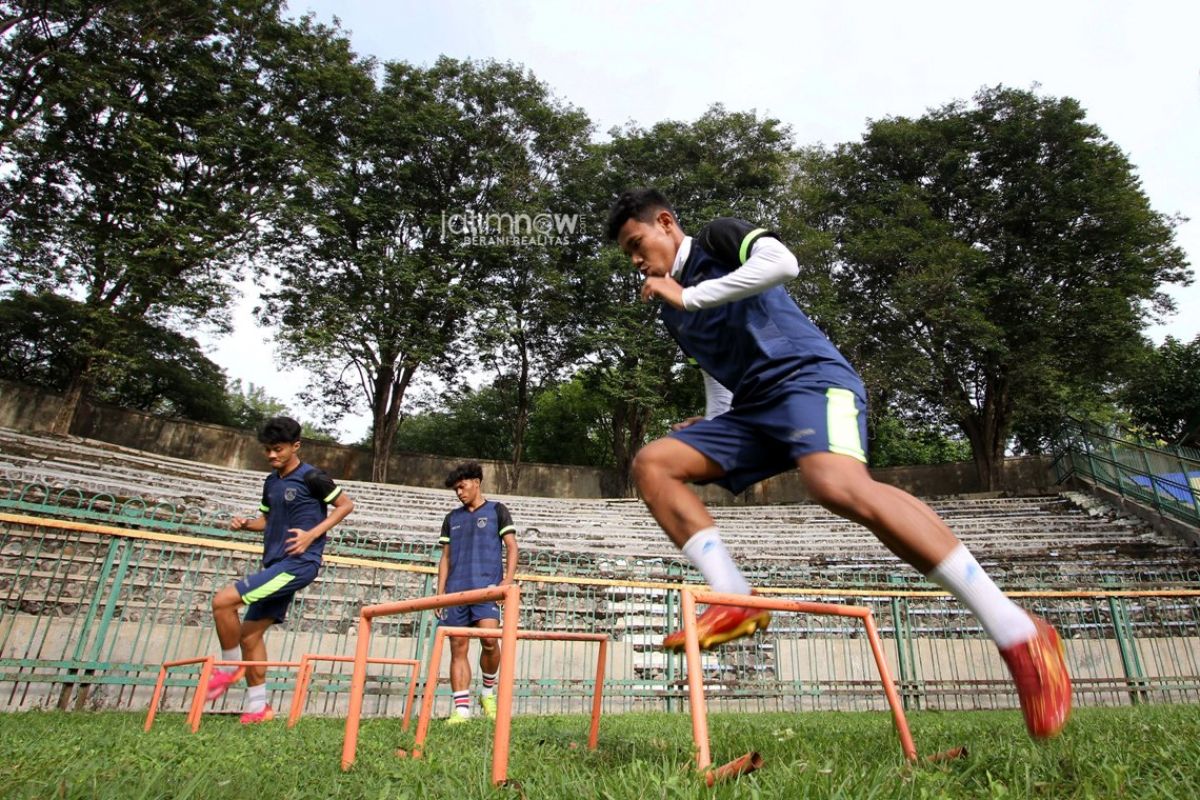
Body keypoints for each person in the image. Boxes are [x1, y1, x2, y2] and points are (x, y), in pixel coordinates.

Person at [605, 188, 1071, 739]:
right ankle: (735, 599)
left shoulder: (718, 239)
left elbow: (783, 264)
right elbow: (717, 371)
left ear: (664, 223)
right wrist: (710, 422)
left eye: (637, 243)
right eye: (628, 254)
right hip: (753, 410)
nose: (636, 259)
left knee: (835, 484)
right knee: (654, 463)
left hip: (809, 380)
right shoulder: (671, 308)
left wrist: (692, 297)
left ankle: (1019, 631)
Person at [207, 416, 355, 724]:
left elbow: (345, 505)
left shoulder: (312, 477)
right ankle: (259, 708)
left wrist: (312, 534)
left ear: (295, 446)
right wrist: (246, 523)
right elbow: (265, 520)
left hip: (299, 564)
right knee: (249, 636)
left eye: (278, 449)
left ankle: (228, 667)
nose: (272, 456)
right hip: (275, 564)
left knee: (222, 601)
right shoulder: (271, 482)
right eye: (268, 451)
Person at [436, 462, 519, 723]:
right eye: (456, 490)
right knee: (457, 646)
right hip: (455, 591)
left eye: (462, 487)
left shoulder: (497, 510)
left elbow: (512, 548)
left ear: (476, 482)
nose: (459, 493)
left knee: (490, 641)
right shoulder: (452, 518)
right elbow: (445, 558)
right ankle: (461, 710)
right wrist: (440, 592)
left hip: (487, 590)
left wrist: (506, 582)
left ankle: (487, 692)